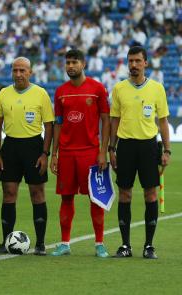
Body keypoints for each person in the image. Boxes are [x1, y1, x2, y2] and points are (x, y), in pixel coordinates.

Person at [109, 46, 171, 259]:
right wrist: (111, 148)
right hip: (125, 146)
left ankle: (149, 246)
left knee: (150, 194)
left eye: (137, 61)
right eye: (130, 61)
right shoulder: (119, 89)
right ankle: (125, 245)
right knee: (124, 194)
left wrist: (167, 150)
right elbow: (114, 120)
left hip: (148, 147)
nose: (133, 65)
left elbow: (163, 121)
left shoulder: (157, 88)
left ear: (145, 63)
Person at [49, 49, 111, 258]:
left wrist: (103, 151)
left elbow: (106, 120)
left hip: (90, 152)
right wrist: (54, 154)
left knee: (95, 199)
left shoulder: (97, 89)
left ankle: (99, 244)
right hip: (66, 153)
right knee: (66, 198)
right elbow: (58, 124)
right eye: (67, 63)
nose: (70, 66)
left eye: (74, 62)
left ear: (84, 64)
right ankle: (65, 243)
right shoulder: (60, 92)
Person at [0, 57, 54, 256]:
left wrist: (45, 153)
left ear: (30, 72)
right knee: (9, 193)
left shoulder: (41, 94)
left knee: (37, 193)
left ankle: (41, 244)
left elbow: (49, 126)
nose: (18, 74)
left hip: (34, 146)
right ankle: (6, 241)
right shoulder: (3, 94)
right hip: (10, 146)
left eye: (22, 70)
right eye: (15, 70)